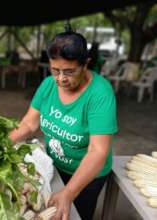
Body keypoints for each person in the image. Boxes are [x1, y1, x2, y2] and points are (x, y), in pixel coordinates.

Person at [9, 31, 118, 220]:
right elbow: (29, 123)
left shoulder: (100, 94)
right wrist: (1, 143)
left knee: (75, 214)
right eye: (55, 70)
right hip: (54, 168)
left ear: (85, 64)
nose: (60, 79)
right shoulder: (48, 85)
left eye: (69, 72)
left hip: (88, 175)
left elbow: (97, 151)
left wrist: (69, 193)